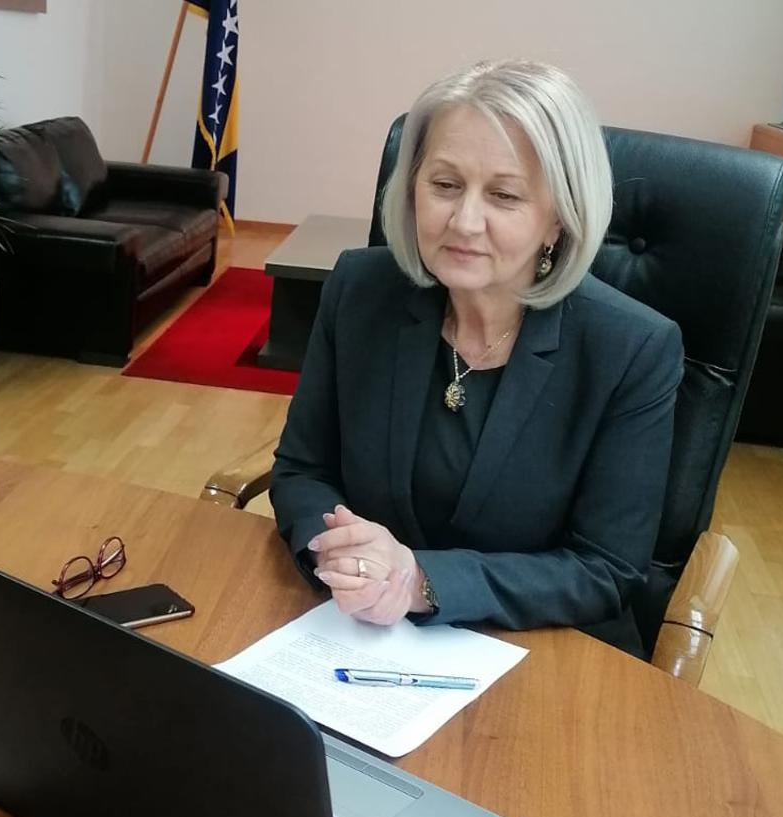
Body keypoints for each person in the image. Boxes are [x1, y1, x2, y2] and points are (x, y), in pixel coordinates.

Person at [270, 59, 684, 656]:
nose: (464, 222)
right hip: (356, 634)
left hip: (542, 652)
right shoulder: (359, 290)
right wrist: (348, 562)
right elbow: (302, 470)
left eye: (504, 195)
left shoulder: (632, 348)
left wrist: (422, 580)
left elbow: (604, 569)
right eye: (444, 185)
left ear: (559, 218)